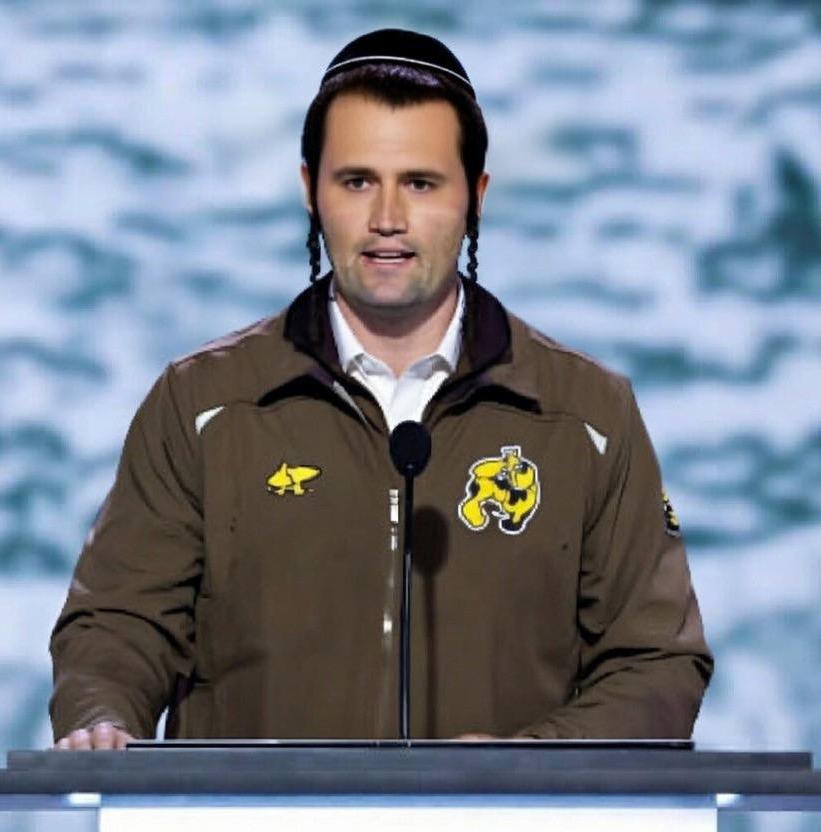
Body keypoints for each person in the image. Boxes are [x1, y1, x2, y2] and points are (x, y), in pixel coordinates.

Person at [50, 28, 713, 750]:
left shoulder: (587, 416)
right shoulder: (201, 405)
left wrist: (523, 765)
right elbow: (118, 623)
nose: (387, 219)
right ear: (311, 190)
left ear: (476, 197)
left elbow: (656, 665)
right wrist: (100, 717)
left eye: (420, 184)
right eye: (357, 181)